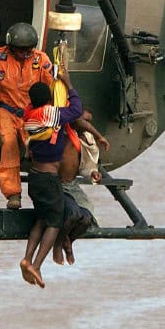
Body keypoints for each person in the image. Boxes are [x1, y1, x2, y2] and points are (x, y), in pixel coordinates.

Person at [0, 22, 54, 209]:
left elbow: (53, 86)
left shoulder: (42, 60)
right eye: (19, 49)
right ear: (10, 47)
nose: (24, 53)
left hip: (30, 113)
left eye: (27, 50)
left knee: (39, 148)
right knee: (9, 143)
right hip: (5, 109)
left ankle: (47, 193)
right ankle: (13, 194)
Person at [19, 70, 82, 288]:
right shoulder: (50, 114)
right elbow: (75, 110)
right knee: (54, 223)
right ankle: (36, 266)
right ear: (48, 101)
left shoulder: (29, 118)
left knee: (42, 219)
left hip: (34, 178)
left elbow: (34, 107)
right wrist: (68, 83)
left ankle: (27, 259)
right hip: (48, 179)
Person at [52, 111, 110, 266]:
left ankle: (68, 241)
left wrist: (93, 173)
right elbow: (77, 121)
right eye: (85, 121)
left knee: (86, 218)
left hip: (71, 185)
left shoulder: (83, 140)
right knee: (72, 214)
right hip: (55, 185)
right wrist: (98, 135)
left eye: (89, 122)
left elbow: (86, 166)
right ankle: (58, 244)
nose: (87, 125)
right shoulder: (58, 129)